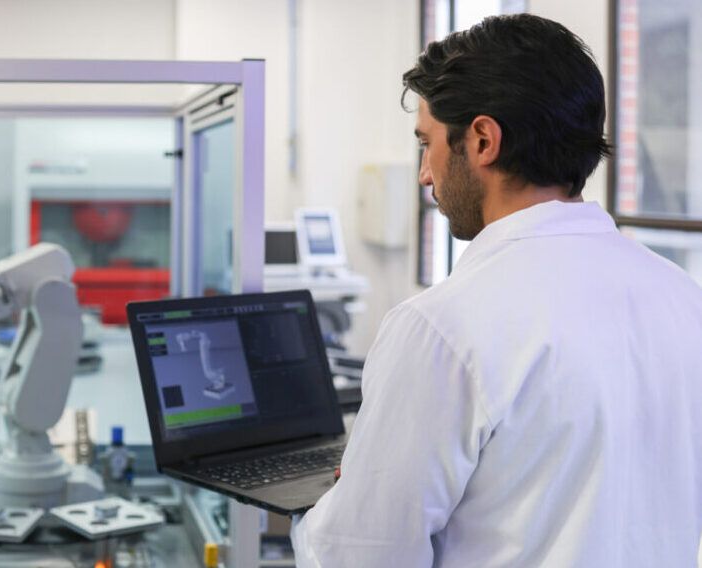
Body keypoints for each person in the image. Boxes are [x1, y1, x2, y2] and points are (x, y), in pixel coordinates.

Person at [290, 13, 702, 567]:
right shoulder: (681, 298)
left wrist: (324, 511)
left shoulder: (442, 327)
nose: (424, 174)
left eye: (427, 144)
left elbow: (360, 556)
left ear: (482, 140)